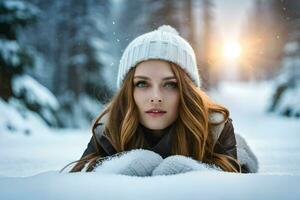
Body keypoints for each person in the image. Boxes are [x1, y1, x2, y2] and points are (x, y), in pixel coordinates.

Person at [68, 25, 258, 175]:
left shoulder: (215, 128)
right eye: (142, 84)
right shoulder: (109, 129)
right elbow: (78, 183)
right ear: (129, 91)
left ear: (187, 91)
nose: (156, 98)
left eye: (170, 84)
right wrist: (118, 171)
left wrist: (193, 176)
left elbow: (233, 187)